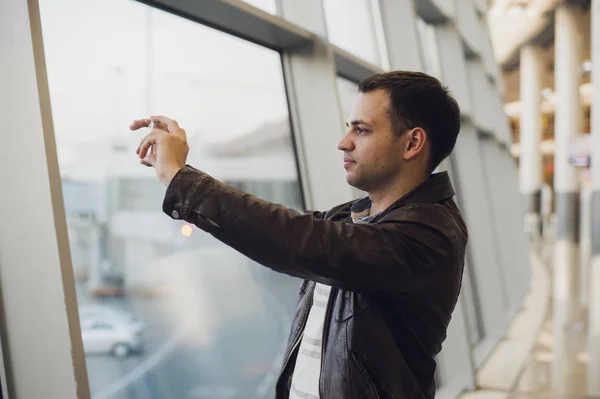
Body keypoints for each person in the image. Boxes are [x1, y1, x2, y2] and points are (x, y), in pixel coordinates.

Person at [130, 71, 467, 399]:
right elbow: (268, 225)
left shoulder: (429, 235)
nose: (343, 142)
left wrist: (179, 178)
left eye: (361, 130)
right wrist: (182, 174)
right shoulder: (352, 219)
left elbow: (292, 238)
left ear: (412, 143)